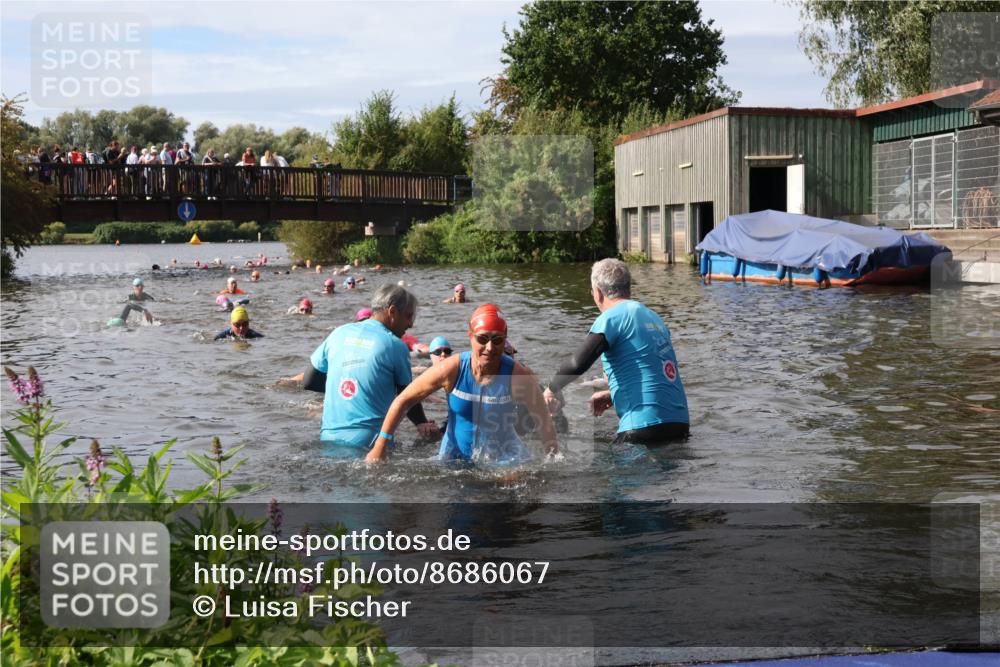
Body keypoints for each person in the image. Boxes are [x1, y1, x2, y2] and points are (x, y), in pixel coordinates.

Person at [367, 304, 556, 464]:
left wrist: (553, 459)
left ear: (505, 338)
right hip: (454, 456)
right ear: (470, 336)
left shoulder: (516, 375)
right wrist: (380, 445)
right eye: (483, 339)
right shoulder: (451, 369)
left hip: (504, 459)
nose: (490, 348)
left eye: (497, 340)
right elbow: (403, 400)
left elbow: (543, 419)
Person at [544, 258, 689, 444]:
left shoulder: (611, 317)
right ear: (628, 288)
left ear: (597, 293)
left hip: (642, 427)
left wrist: (551, 390)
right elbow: (654, 373)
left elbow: (578, 363)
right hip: (680, 425)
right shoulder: (655, 318)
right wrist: (613, 394)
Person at [302, 284, 439, 453]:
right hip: (370, 442)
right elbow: (407, 397)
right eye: (409, 316)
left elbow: (308, 381)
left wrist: (350, 389)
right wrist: (422, 423)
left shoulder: (338, 333)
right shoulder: (395, 345)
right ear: (393, 312)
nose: (410, 324)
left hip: (328, 438)